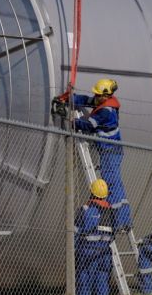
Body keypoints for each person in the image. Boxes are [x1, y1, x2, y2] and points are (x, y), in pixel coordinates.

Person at [54, 78, 131, 232]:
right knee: (116, 184)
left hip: (110, 151)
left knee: (112, 185)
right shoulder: (105, 102)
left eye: (98, 94)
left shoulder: (106, 111)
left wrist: (70, 120)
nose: (95, 97)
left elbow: (88, 126)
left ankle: (121, 222)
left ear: (106, 95)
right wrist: (68, 98)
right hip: (111, 151)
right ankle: (123, 220)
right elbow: (87, 100)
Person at [74, 178, 114, 295]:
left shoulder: (85, 210)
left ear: (91, 193)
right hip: (105, 254)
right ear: (105, 195)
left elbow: (75, 233)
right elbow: (113, 235)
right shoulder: (110, 212)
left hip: (87, 253)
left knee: (84, 284)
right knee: (102, 285)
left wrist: (73, 251)